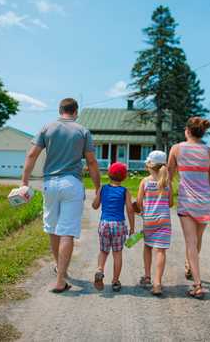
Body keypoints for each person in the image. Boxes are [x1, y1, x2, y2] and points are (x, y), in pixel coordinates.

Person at [21, 98, 101, 293]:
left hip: (49, 184)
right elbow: (91, 162)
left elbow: (32, 155)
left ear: (60, 110)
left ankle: (60, 269)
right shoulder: (83, 131)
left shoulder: (47, 128)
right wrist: (98, 187)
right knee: (67, 231)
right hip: (72, 183)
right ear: (76, 111)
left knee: (53, 228)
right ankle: (59, 279)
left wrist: (24, 182)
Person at [168, 116, 210, 299]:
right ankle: (189, 266)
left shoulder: (176, 149)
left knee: (191, 242)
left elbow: (168, 176)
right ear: (202, 133)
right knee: (197, 240)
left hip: (187, 202)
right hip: (205, 203)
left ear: (187, 131)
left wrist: (163, 196)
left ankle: (198, 285)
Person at [91, 162, 135, 292]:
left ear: (109, 174)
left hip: (104, 223)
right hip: (118, 225)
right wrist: (132, 228)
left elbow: (94, 206)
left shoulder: (103, 188)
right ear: (124, 177)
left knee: (104, 251)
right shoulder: (125, 191)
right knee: (117, 254)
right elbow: (130, 210)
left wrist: (98, 194)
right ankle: (115, 281)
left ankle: (99, 270)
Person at [136, 150, 172, 296]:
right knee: (161, 250)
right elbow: (170, 203)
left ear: (149, 165)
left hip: (149, 219)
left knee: (148, 247)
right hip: (164, 220)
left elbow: (139, 202)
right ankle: (157, 283)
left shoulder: (145, 181)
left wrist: (140, 210)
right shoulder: (167, 182)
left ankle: (147, 277)